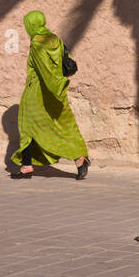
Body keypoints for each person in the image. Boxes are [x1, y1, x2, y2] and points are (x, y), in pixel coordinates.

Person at [11, 9, 89, 179]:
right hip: (57, 94)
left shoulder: (37, 44)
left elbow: (46, 71)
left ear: (31, 25)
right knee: (64, 126)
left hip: (38, 93)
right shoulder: (55, 40)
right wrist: (60, 90)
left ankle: (26, 166)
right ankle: (79, 158)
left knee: (26, 127)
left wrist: (59, 85)